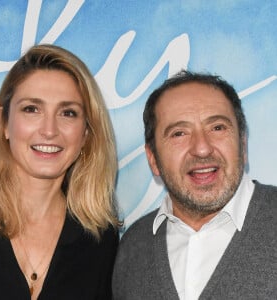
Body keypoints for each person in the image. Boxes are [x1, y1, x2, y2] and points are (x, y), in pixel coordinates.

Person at [112, 70, 277, 299]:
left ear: (243, 144)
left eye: (217, 128)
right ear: (153, 160)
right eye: (179, 133)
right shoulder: (132, 248)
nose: (202, 148)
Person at [0, 44, 119, 300]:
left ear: (86, 133)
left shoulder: (99, 236)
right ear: (4, 124)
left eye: (68, 113)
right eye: (32, 109)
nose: (50, 130)